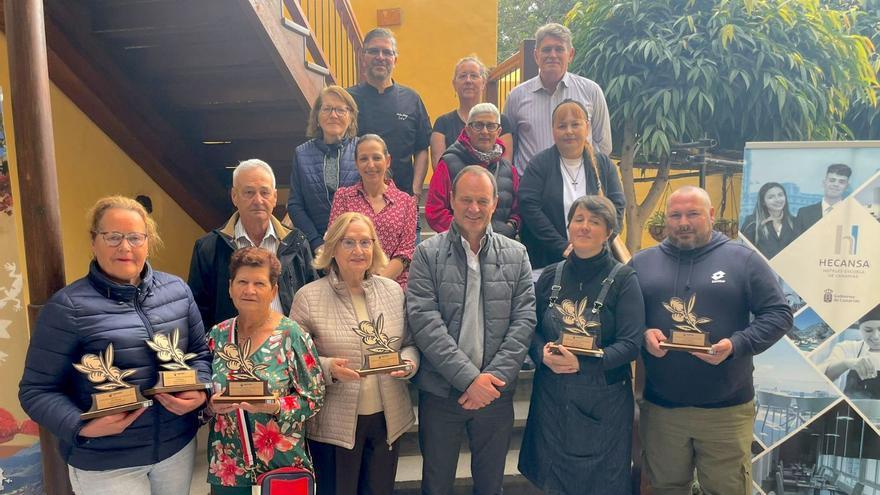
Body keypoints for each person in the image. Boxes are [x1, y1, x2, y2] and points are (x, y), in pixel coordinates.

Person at [19, 196, 211, 494]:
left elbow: (200, 355)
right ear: (94, 241)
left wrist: (201, 388)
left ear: (148, 241)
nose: (125, 247)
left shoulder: (178, 291)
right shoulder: (67, 307)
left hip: (176, 449)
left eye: (135, 237)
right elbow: (36, 390)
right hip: (106, 462)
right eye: (113, 237)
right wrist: (80, 425)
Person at [632, 186, 793, 495]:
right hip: (663, 409)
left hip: (726, 410)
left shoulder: (743, 260)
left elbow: (779, 314)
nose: (683, 222)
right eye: (675, 215)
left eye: (693, 214)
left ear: (711, 215)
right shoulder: (642, 263)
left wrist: (737, 344)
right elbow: (621, 316)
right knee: (665, 487)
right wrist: (642, 333)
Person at [407, 165, 537, 495]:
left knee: (491, 485)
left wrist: (489, 381)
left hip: (495, 393)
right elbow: (424, 321)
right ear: (451, 199)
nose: (474, 208)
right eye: (466, 199)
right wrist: (469, 379)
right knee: (436, 485)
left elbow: (524, 321)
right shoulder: (427, 253)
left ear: (495, 202)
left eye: (482, 200)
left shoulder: (517, 255)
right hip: (441, 393)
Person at [518, 196, 644, 494]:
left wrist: (584, 363)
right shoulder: (550, 275)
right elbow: (530, 329)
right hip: (552, 399)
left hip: (604, 403)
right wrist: (540, 355)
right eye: (579, 219)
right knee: (553, 482)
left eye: (595, 222)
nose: (584, 227)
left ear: (609, 232)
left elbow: (630, 345)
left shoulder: (625, 279)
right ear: (569, 226)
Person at [290, 212, 419, 495]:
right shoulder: (308, 297)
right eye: (349, 242)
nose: (359, 251)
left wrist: (409, 362)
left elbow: (409, 342)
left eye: (365, 242)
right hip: (335, 423)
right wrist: (327, 368)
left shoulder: (393, 291)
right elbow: (294, 360)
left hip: (388, 420)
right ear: (333, 248)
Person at [205, 247, 324, 493]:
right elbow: (202, 396)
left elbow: (314, 399)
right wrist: (210, 406)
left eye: (259, 283)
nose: (249, 290)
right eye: (242, 282)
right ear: (230, 287)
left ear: (274, 291)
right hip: (228, 468)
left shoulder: (292, 335)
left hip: (281, 467)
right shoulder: (217, 336)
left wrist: (273, 406)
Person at [189, 159, 318, 329]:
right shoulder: (208, 248)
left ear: (275, 197)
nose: (258, 200)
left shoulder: (297, 243)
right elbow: (197, 314)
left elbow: (312, 301)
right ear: (234, 196)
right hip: (232, 350)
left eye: (264, 192)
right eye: (249, 192)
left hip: (288, 348)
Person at [519, 99, 624, 279]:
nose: (569, 131)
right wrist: (562, 246)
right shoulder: (539, 165)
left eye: (575, 124)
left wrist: (597, 246)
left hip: (597, 264)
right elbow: (529, 207)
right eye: (562, 126)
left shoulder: (603, 164)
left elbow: (617, 207)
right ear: (553, 130)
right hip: (548, 263)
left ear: (587, 127)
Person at [504, 23, 612, 174]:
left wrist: (587, 176)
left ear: (571, 54)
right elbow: (509, 147)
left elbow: (603, 144)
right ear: (536, 55)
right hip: (531, 190)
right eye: (546, 49)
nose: (552, 55)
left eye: (559, 49)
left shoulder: (591, 91)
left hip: (580, 189)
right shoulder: (516, 97)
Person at [347, 28, 431, 202]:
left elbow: (422, 149)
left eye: (387, 52)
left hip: (403, 200)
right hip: (358, 201)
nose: (380, 57)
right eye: (373, 51)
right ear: (364, 57)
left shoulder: (412, 99)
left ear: (395, 59)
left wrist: (415, 192)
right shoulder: (348, 100)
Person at [329, 134, 417, 288]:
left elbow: (406, 251)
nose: (370, 165)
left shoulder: (406, 202)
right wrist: (359, 281)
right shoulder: (343, 197)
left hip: (393, 286)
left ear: (387, 161)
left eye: (376, 158)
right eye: (363, 159)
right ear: (356, 163)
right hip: (350, 284)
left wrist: (378, 281)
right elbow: (335, 242)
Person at [426, 102, 521, 238]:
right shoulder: (447, 164)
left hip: (501, 249)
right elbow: (435, 211)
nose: (484, 131)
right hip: (457, 249)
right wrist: (467, 234)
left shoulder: (509, 170)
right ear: (468, 130)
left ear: (498, 132)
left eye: (491, 126)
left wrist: (511, 227)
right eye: (478, 125)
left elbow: (517, 211)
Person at [288, 85, 362, 252]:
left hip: (357, 245)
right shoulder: (301, 154)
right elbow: (295, 204)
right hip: (316, 247)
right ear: (317, 117)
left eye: (340, 110)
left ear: (350, 116)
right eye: (327, 109)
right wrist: (316, 242)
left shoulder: (363, 150)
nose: (333, 115)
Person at [431, 56, 514, 167]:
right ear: (454, 84)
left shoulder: (501, 121)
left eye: (474, 76)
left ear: (483, 83)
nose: (468, 80)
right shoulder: (442, 124)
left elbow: (506, 167)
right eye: (463, 76)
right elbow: (440, 168)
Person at [821, 306, 880, 399]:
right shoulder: (848, 347)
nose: (876, 336)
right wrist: (846, 363)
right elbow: (824, 376)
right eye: (868, 330)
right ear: (860, 329)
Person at [740, 182, 797, 259]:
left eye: (780, 195)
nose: (777, 200)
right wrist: (759, 228)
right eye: (771, 197)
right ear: (763, 202)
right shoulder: (752, 223)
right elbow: (743, 253)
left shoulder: (795, 222)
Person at [794, 163, 852, 234]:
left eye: (841, 182)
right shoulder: (804, 214)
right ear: (824, 183)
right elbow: (796, 244)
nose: (836, 184)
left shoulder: (853, 215)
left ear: (847, 186)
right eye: (832, 180)